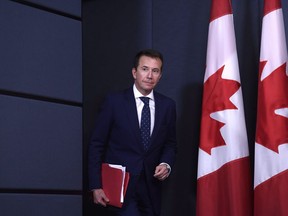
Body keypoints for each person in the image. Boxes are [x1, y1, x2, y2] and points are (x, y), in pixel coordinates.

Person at [88, 49, 177, 216]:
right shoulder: (114, 102)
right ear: (134, 72)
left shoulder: (168, 106)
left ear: (160, 76)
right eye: (145, 69)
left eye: (155, 71)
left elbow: (170, 143)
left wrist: (166, 164)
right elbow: (96, 144)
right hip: (120, 187)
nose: (149, 75)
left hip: (152, 188)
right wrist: (95, 185)